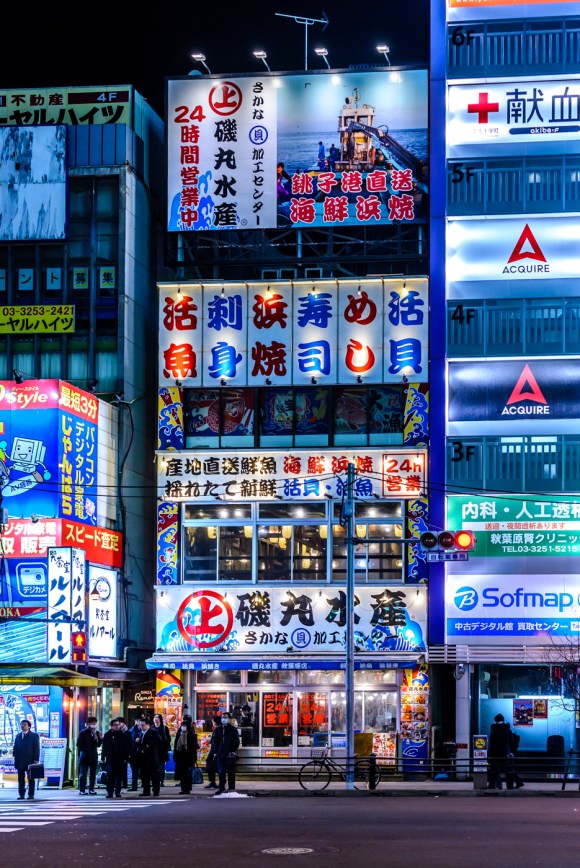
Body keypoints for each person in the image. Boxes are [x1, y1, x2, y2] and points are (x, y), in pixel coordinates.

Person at [488, 713, 524, 790]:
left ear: (496, 721)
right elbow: (511, 741)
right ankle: (510, 786)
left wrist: (489, 754)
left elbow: (492, 744)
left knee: (494, 769)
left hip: (496, 754)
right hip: (506, 753)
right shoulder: (508, 730)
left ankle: (494, 785)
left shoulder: (494, 730)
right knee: (509, 770)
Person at [212, 712, 240, 795]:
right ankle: (221, 787)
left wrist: (233, 750)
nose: (223, 719)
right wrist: (216, 751)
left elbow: (236, 741)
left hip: (230, 755)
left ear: (229, 719)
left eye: (225, 717)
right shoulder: (218, 729)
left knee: (231, 772)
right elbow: (214, 741)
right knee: (221, 772)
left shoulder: (233, 729)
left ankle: (231, 788)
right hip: (220, 754)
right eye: (222, 717)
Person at [101, 719, 130, 799]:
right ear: (111, 726)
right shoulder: (107, 735)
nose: (117, 726)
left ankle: (118, 792)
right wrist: (103, 757)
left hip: (121, 758)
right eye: (115, 725)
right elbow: (104, 747)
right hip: (110, 758)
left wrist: (126, 757)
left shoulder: (123, 735)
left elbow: (126, 747)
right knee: (110, 777)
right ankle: (110, 792)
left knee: (119, 777)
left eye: (118, 724)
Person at [13, 719, 40, 800]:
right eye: (21, 724)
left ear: (28, 726)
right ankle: (21, 794)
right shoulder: (18, 736)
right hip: (20, 761)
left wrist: (36, 759)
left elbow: (36, 748)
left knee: (31, 778)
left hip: (30, 761)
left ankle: (31, 794)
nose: (22, 726)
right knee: (20, 779)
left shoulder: (34, 736)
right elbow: (16, 747)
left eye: (24, 724)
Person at [77, 716, 102, 795]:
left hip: (93, 756)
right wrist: (86, 750)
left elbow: (98, 745)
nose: (94, 725)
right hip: (84, 756)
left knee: (93, 774)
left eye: (95, 723)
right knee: (83, 774)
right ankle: (82, 790)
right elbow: (78, 744)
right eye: (92, 723)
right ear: (88, 724)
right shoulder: (83, 733)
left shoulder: (97, 733)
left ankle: (91, 789)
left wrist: (100, 739)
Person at [173, 717, 199, 795]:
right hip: (180, 757)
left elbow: (193, 747)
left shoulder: (191, 735)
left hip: (188, 758)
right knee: (182, 774)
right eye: (182, 725)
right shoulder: (179, 734)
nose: (183, 727)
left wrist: (193, 758)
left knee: (187, 774)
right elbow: (176, 746)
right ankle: (183, 788)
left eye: (185, 725)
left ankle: (187, 789)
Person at [137, 717, 161, 797]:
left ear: (148, 725)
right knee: (144, 775)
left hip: (151, 758)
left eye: (143, 725)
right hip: (143, 758)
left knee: (154, 775)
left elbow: (158, 740)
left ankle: (156, 791)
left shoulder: (152, 732)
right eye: (140, 725)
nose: (141, 727)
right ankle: (146, 791)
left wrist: (147, 745)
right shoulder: (141, 733)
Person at [152, 713, 171, 787]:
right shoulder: (152, 728)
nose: (155, 719)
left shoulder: (164, 728)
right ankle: (155, 781)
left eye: (157, 717)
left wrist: (164, 746)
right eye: (155, 717)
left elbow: (168, 739)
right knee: (154, 767)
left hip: (161, 751)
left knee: (161, 767)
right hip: (153, 751)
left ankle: (161, 781)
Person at [204, 714, 222, 789]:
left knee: (214, 766)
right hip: (214, 750)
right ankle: (212, 782)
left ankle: (215, 782)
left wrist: (215, 752)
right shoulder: (217, 729)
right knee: (211, 765)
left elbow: (217, 740)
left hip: (215, 750)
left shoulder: (218, 729)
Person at [115, 717, 132, 790]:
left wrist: (128, 754)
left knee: (124, 771)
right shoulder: (116, 732)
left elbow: (129, 744)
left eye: (119, 723)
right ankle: (118, 785)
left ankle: (124, 786)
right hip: (117, 754)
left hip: (124, 754)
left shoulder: (127, 732)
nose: (118, 725)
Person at [129, 715, 144, 791]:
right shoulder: (131, 730)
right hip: (134, 753)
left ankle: (145, 786)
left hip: (142, 753)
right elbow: (129, 742)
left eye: (140, 720)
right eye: (137, 720)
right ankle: (134, 786)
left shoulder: (144, 729)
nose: (139, 722)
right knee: (134, 772)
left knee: (143, 771)